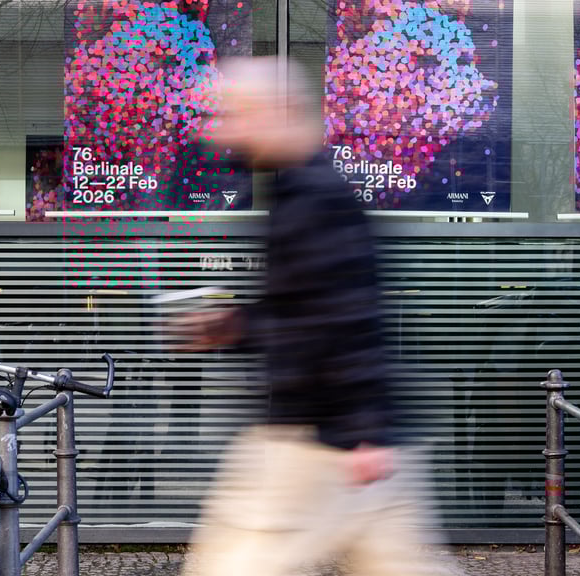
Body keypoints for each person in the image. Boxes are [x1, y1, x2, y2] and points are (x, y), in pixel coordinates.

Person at [175, 57, 450, 576]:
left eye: (236, 116)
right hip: (345, 433)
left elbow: (349, 314)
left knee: (232, 565)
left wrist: (362, 428)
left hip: (317, 439)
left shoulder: (313, 199)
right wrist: (237, 326)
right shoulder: (301, 192)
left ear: (280, 113)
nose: (223, 132)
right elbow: (309, 311)